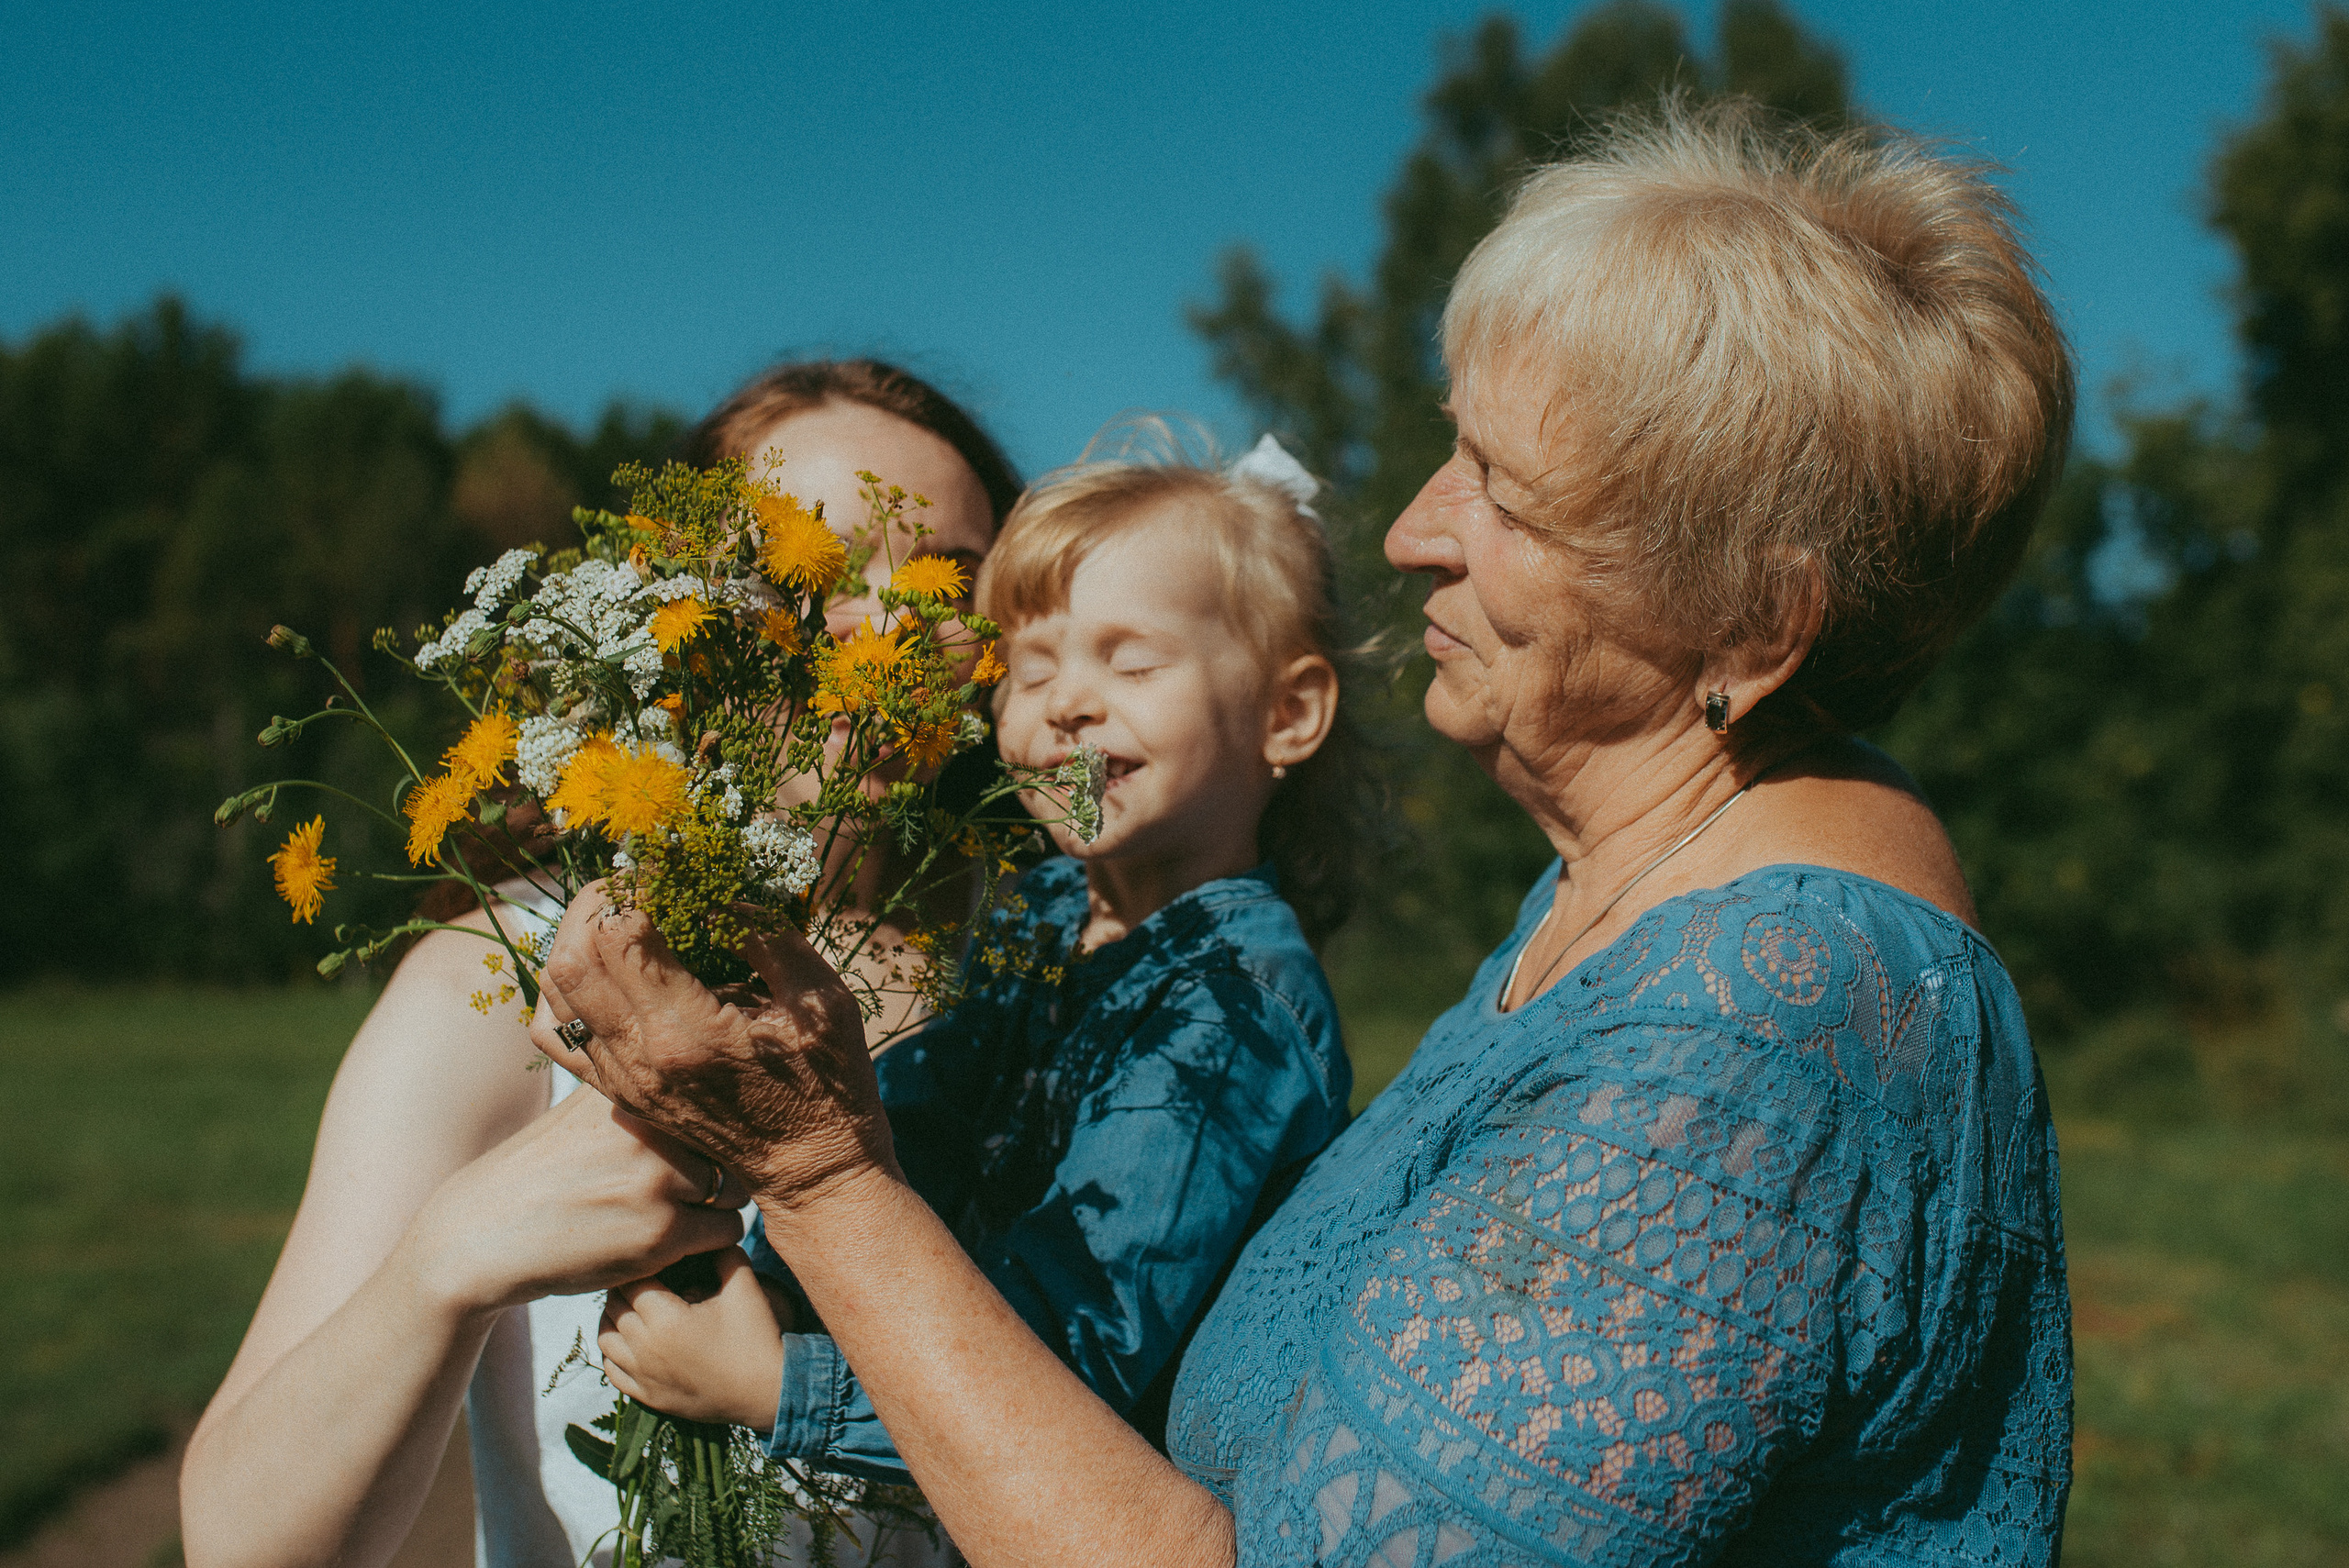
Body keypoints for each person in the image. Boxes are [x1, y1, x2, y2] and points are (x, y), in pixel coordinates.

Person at [526, 98, 2079, 1567]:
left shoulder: (1760, 1036)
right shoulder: (1624, 895)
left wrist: (820, 1181)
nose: (1410, 530)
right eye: (1452, 445)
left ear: (1757, 615)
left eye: (1507, 498)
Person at [180, 359, 1021, 1568]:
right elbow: (237, 1545)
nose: (882, 624)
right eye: (814, 567)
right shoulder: (503, 977)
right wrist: (449, 1257)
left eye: (943, 574)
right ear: (687, 608)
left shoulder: (1050, 982)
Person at [591, 437, 1372, 1481]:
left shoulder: (1234, 1003)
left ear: (1288, 712)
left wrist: (775, 1383)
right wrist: (770, 1281)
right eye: (1030, 666)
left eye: (1130, 662)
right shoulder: (1044, 913)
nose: (1067, 701)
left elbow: (1082, 1337)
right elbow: (918, 1125)